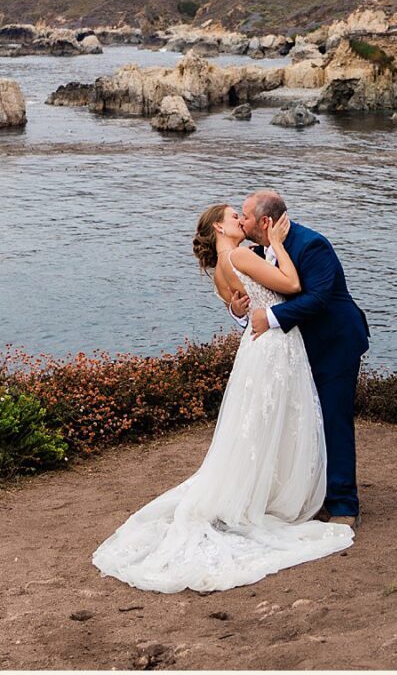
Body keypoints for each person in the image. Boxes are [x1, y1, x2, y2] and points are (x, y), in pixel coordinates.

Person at [90, 201, 354, 594]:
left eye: (243, 215)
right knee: (281, 419)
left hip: (261, 346)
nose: (240, 221)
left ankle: (274, 489)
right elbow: (293, 287)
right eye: (234, 216)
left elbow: (244, 308)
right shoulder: (245, 254)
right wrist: (279, 247)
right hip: (273, 347)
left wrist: (238, 309)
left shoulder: (220, 266)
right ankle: (290, 496)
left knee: (265, 422)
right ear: (218, 227)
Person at [235, 190, 370, 525]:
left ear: (265, 221)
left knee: (333, 419)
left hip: (334, 343)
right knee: (304, 420)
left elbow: (320, 298)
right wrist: (241, 313)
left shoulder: (311, 245)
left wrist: (270, 317)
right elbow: (258, 298)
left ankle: (343, 506)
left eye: (246, 216)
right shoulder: (257, 250)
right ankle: (311, 493)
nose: (241, 221)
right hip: (296, 350)